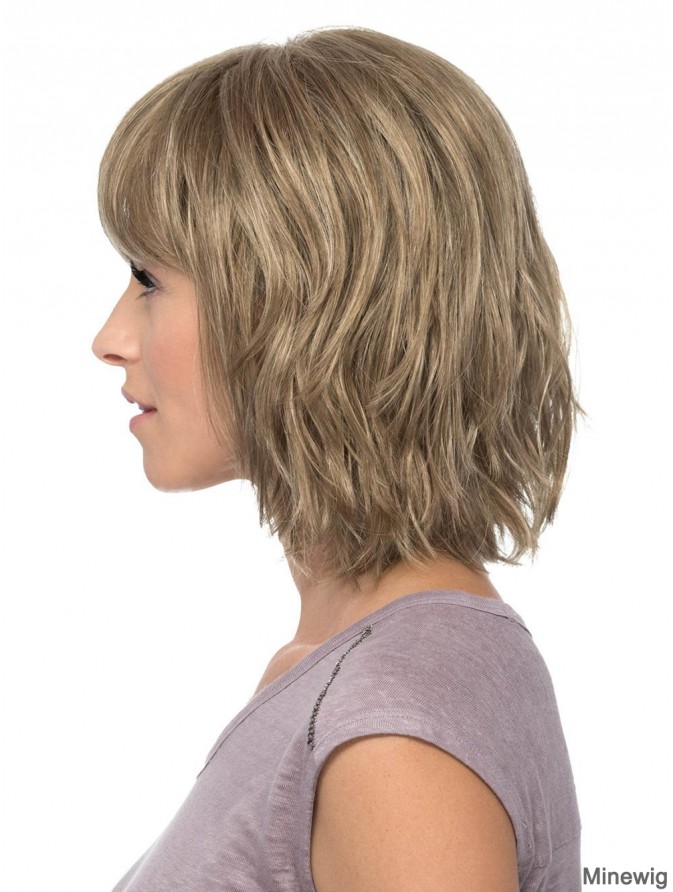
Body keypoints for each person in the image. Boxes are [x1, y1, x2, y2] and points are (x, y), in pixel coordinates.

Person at [92, 26, 582, 891]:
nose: (109, 338)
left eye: (150, 280)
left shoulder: (394, 735)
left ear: (304, 304)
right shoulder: (345, 679)